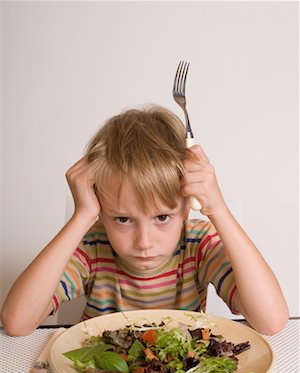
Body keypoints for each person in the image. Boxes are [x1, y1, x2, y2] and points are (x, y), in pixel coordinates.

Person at [1, 105, 289, 336]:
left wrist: (219, 210)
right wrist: (82, 216)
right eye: (123, 219)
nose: (144, 243)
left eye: (162, 217)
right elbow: (17, 322)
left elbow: (271, 321)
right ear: (101, 209)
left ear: (187, 207)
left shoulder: (197, 242)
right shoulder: (92, 246)